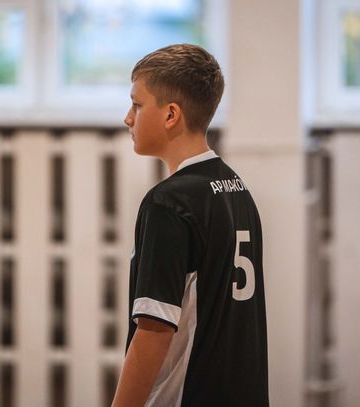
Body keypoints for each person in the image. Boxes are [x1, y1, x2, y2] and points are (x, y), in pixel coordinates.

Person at [112, 43, 269, 407]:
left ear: (171, 114)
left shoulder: (168, 203)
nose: (127, 118)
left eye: (137, 105)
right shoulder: (236, 188)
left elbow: (153, 331)